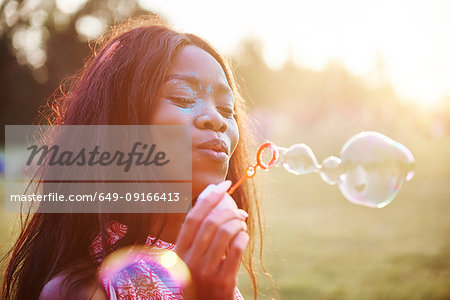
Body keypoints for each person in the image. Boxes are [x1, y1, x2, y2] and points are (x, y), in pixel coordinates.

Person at [2, 16, 265, 300]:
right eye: (183, 97)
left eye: (227, 109)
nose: (217, 119)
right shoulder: (81, 291)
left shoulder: (208, 270)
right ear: (122, 123)